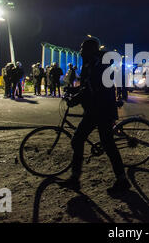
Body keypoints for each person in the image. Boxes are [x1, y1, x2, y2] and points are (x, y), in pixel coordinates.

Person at [61, 37, 130, 195]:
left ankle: (122, 180)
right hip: (94, 110)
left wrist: (76, 99)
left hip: (103, 110)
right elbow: (86, 85)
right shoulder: (89, 63)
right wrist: (72, 91)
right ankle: (75, 178)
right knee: (80, 140)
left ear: (92, 49)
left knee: (106, 144)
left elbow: (94, 88)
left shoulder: (100, 65)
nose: (80, 51)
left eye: (83, 48)